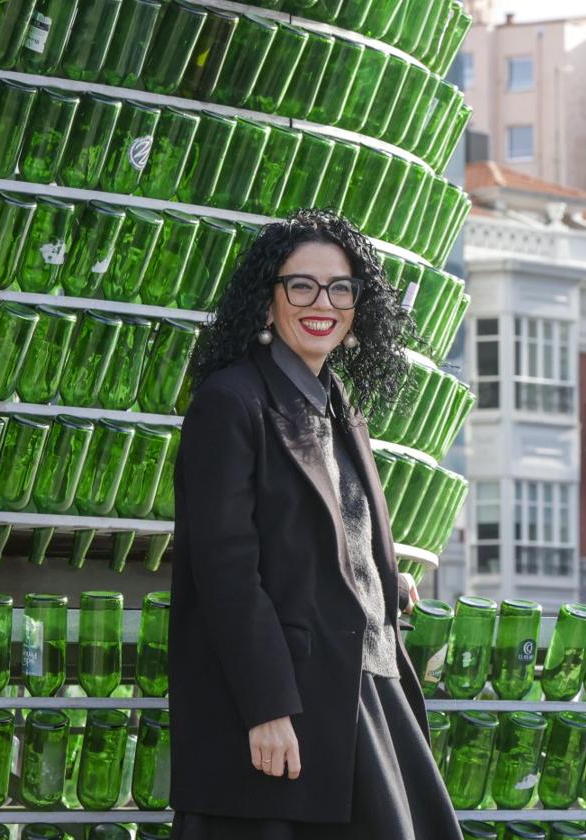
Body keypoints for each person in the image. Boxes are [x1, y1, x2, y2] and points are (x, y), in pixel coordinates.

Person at [167, 209, 464, 839]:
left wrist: (380, 581)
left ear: (359, 306)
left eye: (340, 288)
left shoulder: (336, 403)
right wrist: (267, 706)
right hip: (292, 708)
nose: (320, 303)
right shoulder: (231, 401)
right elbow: (224, 572)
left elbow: (323, 536)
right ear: (267, 299)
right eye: (300, 285)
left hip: (365, 687)